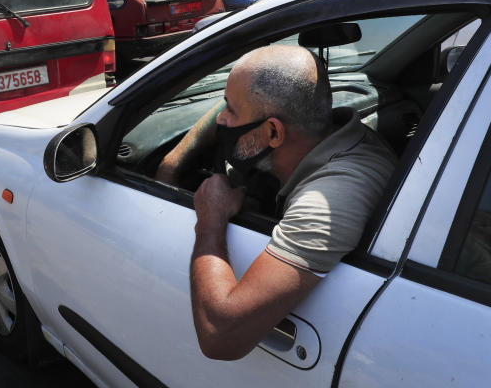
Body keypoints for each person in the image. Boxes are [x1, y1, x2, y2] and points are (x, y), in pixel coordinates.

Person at [156, 45, 396, 360]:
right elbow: (230, 118)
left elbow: (220, 335)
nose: (221, 120)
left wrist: (211, 222)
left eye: (230, 109)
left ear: (273, 132)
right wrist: (170, 167)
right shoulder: (332, 133)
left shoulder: (326, 203)